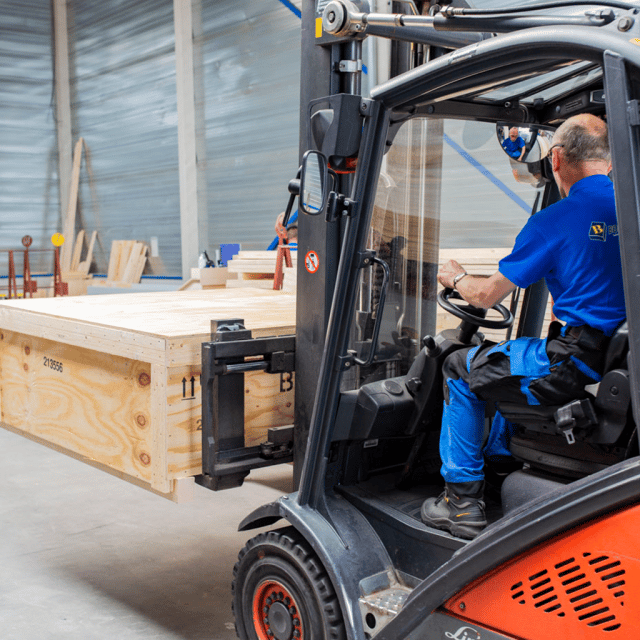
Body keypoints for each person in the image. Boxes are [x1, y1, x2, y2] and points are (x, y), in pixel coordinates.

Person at [421, 113, 626, 539]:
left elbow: (485, 297)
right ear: (609, 162)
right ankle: (499, 461)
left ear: (555, 159)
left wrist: (454, 277)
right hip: (611, 357)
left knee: (460, 367)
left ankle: (460, 501)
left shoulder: (555, 219)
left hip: (573, 365)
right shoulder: (634, 210)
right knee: (508, 360)